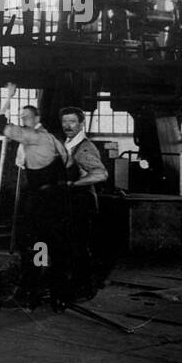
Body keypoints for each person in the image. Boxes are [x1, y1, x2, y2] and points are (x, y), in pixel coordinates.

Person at [0, 89, 71, 309]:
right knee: (50, 246)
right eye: (21, 118)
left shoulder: (34, 136)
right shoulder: (51, 139)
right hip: (55, 198)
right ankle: (56, 295)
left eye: (27, 117)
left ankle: (30, 293)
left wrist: (8, 95)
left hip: (44, 200)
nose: (23, 121)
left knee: (33, 244)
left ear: (37, 119)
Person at [60, 106, 108, 301]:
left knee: (79, 247)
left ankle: (84, 289)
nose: (67, 126)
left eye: (72, 122)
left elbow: (101, 174)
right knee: (69, 246)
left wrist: (74, 184)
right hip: (69, 204)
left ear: (81, 124)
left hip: (82, 203)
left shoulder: (84, 147)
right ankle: (72, 286)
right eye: (64, 122)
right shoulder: (68, 144)